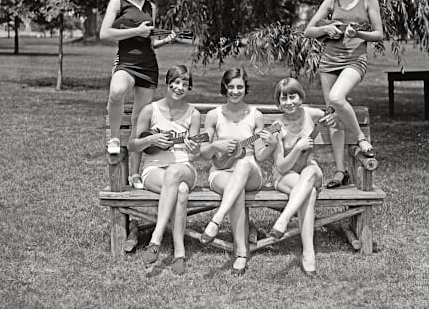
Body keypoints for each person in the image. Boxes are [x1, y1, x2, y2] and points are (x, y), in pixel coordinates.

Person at [303, 0, 384, 188]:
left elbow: (379, 34)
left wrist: (357, 32)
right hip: (329, 61)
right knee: (334, 116)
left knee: (338, 98)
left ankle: (360, 139)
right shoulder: (330, 0)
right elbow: (309, 30)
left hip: (354, 60)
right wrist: (326, 30)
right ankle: (340, 172)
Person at [100, 0, 177, 188]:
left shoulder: (151, 7)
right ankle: (114, 137)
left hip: (148, 65)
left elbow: (149, 42)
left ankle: (134, 174)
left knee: (140, 122)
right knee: (117, 91)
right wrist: (135, 31)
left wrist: (164, 41)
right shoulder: (117, 2)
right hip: (126, 62)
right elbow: (105, 34)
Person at [198, 68, 274, 276]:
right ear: (224, 87)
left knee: (242, 166)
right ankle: (241, 252)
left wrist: (272, 143)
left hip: (250, 171)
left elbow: (259, 155)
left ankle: (217, 219)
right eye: (231, 86)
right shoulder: (214, 115)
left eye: (239, 87)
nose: (235, 91)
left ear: (245, 89)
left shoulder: (255, 116)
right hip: (221, 171)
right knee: (236, 189)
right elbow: (204, 153)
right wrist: (218, 146)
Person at [127, 65, 201, 274]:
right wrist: (151, 139)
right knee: (181, 191)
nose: (179, 87)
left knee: (175, 172)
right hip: (154, 171)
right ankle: (179, 253)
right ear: (168, 84)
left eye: (185, 84)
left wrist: (194, 148)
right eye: (176, 82)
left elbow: (195, 154)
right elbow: (133, 145)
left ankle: (156, 239)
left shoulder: (193, 114)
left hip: (184, 168)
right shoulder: (150, 110)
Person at [263, 78, 335, 277]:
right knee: (309, 193)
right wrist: (297, 148)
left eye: (292, 96)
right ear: (278, 102)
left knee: (311, 172)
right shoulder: (277, 126)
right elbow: (281, 165)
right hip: (285, 175)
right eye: (283, 98)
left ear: (300, 97)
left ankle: (284, 219)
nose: (289, 102)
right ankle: (309, 252)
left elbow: (334, 115)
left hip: (308, 170)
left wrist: (333, 117)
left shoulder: (310, 113)